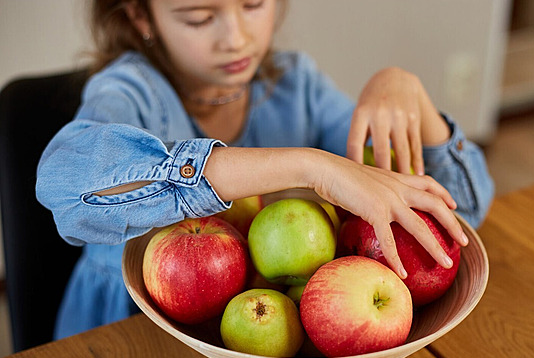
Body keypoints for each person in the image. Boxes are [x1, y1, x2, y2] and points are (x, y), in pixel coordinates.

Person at [36, 0, 494, 339]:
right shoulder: (129, 90)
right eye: (199, 17)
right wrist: (308, 165)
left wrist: (409, 96)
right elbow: (65, 185)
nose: (236, 37)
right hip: (126, 335)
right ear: (140, 15)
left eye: (253, 3)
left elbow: (465, 211)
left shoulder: (299, 86)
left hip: (269, 333)